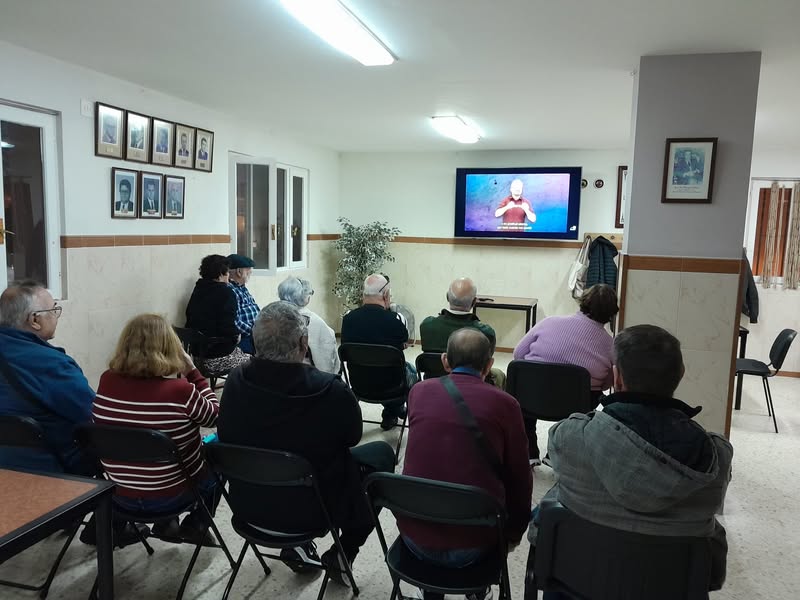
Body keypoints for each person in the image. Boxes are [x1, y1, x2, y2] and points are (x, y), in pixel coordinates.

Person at [529, 325, 732, 598]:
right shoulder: (716, 458)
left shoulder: (570, 437)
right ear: (680, 376)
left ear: (617, 378)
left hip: (576, 587)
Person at [217, 301, 395, 583]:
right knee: (382, 454)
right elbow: (351, 438)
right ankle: (343, 552)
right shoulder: (331, 390)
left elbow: (226, 432)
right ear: (303, 342)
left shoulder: (235, 381)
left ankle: (296, 545)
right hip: (315, 512)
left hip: (249, 506)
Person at [400, 329, 533, 600]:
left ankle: (431, 591)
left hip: (415, 538)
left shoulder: (418, 392)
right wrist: (514, 533)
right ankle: (476, 590)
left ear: (445, 361)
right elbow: (520, 478)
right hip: (475, 543)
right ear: (489, 365)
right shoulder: (507, 405)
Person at [93, 314, 221, 543]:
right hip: (172, 497)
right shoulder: (181, 391)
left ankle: (163, 525)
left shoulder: (106, 381)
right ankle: (196, 525)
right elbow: (215, 416)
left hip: (119, 495)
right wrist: (193, 372)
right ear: (171, 348)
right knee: (219, 448)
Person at [513, 283, 618, 466]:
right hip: (575, 406)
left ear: (582, 302)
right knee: (592, 396)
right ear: (611, 313)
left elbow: (518, 353)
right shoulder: (610, 345)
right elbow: (606, 385)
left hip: (531, 395)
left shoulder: (549, 322)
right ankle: (558, 453)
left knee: (526, 386)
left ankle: (528, 452)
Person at [0, 281, 94, 474]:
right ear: (35, 320)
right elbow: (93, 415)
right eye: (54, 310)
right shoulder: (53, 365)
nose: (56, 316)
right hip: (53, 472)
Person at [340, 273, 415, 430]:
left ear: (363, 294)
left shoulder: (348, 319)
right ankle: (393, 411)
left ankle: (393, 412)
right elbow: (404, 343)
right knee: (411, 371)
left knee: (383, 369)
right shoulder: (396, 320)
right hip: (393, 387)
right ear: (386, 295)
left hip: (359, 385)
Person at [420, 277, 506, 389]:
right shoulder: (485, 333)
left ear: (447, 297)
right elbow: (486, 365)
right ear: (474, 302)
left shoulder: (427, 325)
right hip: (474, 387)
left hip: (434, 384)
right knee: (499, 375)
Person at [185, 255, 250, 373]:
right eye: (227, 272)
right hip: (217, 358)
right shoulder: (226, 293)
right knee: (254, 362)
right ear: (221, 273)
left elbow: (189, 316)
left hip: (196, 357)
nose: (229, 276)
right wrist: (237, 335)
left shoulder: (199, 288)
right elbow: (227, 327)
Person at [278, 276, 340, 374]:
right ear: (305, 298)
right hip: (308, 377)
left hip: (278, 374)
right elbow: (328, 360)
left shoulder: (271, 316)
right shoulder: (316, 322)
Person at [227, 253, 260, 354]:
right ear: (239, 271)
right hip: (246, 337)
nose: (250, 272)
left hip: (256, 333)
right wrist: (255, 331)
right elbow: (235, 322)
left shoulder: (242, 287)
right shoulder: (230, 290)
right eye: (248, 269)